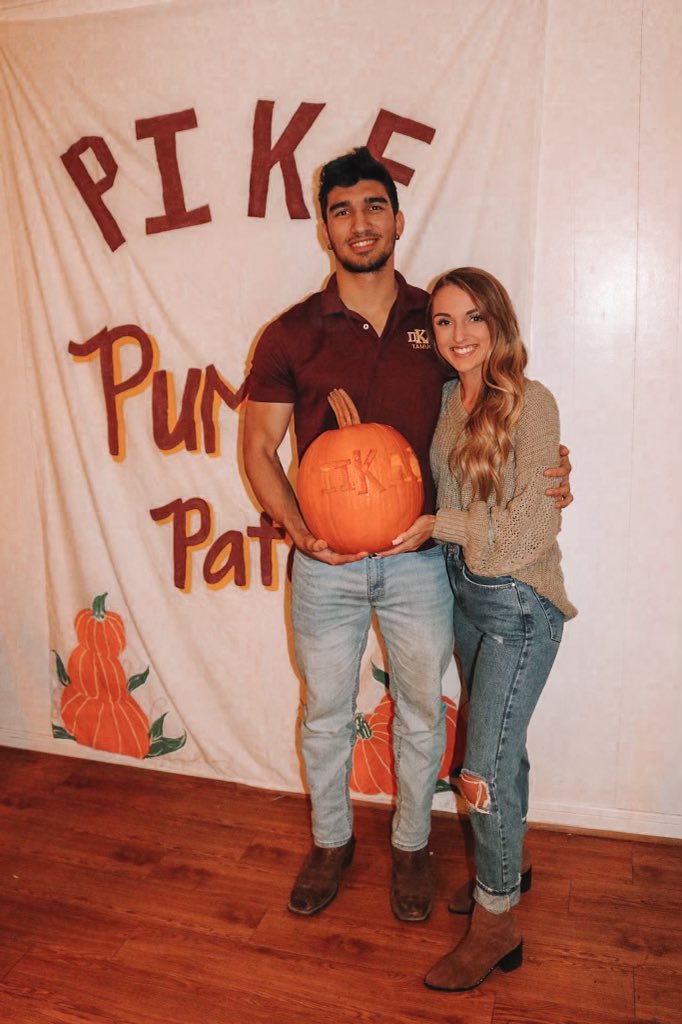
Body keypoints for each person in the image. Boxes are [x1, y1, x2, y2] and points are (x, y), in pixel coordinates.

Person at [243, 149, 572, 924]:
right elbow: (257, 448)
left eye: (373, 207)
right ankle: (331, 841)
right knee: (325, 711)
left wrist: (549, 468)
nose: (359, 224)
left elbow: (499, 409)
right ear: (324, 227)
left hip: (424, 562)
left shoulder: (441, 320)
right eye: (342, 211)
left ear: (396, 219)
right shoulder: (291, 333)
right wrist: (301, 531)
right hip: (325, 565)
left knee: (422, 711)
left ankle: (413, 845)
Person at [388, 267, 576, 989]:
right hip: (467, 597)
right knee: (504, 750)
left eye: (473, 318)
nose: (459, 334)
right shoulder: (446, 398)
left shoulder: (533, 403)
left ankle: (497, 924)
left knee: (481, 770)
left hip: (519, 606)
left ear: (498, 322)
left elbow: (530, 531)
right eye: (444, 321)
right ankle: (510, 866)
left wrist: (446, 524)